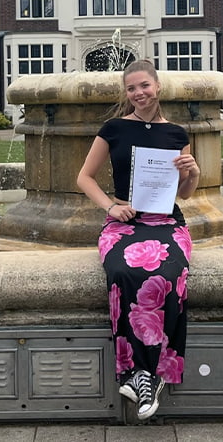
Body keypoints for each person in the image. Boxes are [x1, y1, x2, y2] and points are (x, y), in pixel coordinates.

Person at [76, 60, 200, 421]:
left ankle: (140, 376)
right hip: (125, 221)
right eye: (131, 89)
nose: (138, 93)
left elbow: (187, 193)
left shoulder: (177, 134)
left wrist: (191, 173)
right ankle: (146, 375)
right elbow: (84, 177)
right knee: (122, 272)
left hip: (166, 222)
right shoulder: (113, 128)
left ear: (157, 86)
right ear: (126, 93)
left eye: (144, 85)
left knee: (173, 275)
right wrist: (110, 208)